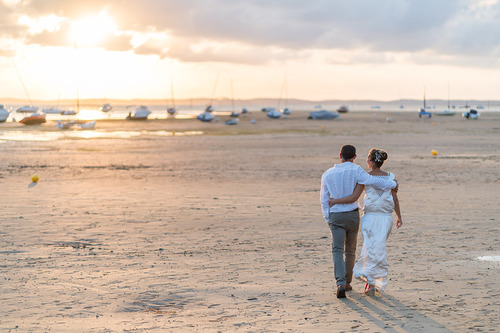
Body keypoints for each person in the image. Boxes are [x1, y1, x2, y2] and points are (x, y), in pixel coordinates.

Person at [320, 145, 398, 298]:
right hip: (352, 215)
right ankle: (348, 283)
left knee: (337, 250)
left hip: (335, 216)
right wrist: (393, 184)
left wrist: (328, 218)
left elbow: (324, 199)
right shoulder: (357, 171)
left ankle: (340, 282)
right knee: (350, 250)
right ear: (354, 157)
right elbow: (375, 181)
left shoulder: (327, 174)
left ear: (340, 155)